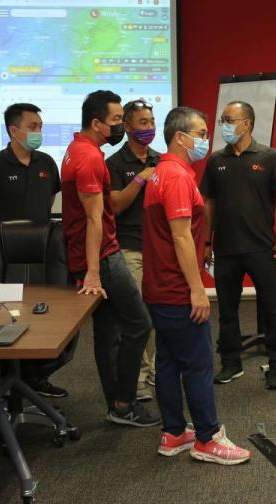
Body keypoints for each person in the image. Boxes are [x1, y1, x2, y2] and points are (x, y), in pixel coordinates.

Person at [143, 106, 251, 464]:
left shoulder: (163, 173)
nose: (207, 139)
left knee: (170, 362)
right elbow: (181, 238)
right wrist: (196, 289)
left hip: (159, 287)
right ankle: (207, 437)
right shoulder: (175, 177)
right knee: (200, 364)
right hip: (176, 290)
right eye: (201, 133)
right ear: (180, 137)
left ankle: (174, 433)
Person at [61, 90, 160, 427]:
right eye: (117, 120)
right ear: (96, 123)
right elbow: (93, 220)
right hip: (104, 256)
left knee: (108, 330)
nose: (121, 126)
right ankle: (124, 400)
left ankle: (117, 405)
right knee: (139, 322)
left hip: (96, 254)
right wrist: (92, 272)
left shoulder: (77, 150)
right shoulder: (90, 159)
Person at [0, 102, 67, 398]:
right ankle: (1, 384)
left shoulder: (47, 163)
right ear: (13, 130)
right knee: (7, 319)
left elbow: (49, 201)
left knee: (46, 320)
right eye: (32, 127)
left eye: (40, 127)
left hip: (41, 256)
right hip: (5, 259)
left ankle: (36, 379)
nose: (38, 132)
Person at [200, 101, 276, 390]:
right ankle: (231, 362)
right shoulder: (216, 161)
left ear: (247, 124)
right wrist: (205, 240)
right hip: (226, 248)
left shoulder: (269, 157)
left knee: (272, 307)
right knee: (227, 308)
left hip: (260, 246)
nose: (224, 124)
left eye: (230, 119)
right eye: (223, 119)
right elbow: (208, 203)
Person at [106, 99, 161, 402]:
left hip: (158, 249)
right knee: (137, 317)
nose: (148, 128)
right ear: (126, 126)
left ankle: (152, 370)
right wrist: (141, 179)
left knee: (156, 313)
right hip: (129, 247)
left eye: (151, 121)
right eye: (142, 122)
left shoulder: (161, 159)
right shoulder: (114, 164)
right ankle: (137, 377)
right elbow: (114, 205)